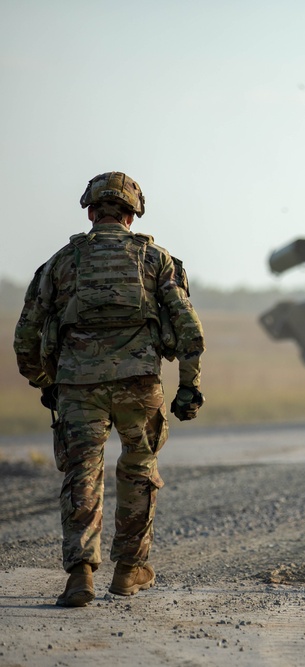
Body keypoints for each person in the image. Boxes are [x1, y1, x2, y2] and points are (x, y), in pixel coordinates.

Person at [13, 171, 206, 607]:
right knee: (138, 470)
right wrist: (189, 388)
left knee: (83, 473)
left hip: (78, 386)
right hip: (139, 385)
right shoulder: (157, 260)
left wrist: (45, 381)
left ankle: (80, 573)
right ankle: (128, 570)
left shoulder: (63, 262)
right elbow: (189, 331)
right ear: (132, 215)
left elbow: (26, 335)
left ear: (90, 211)